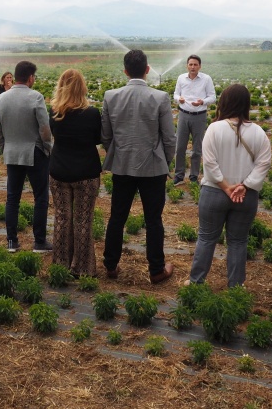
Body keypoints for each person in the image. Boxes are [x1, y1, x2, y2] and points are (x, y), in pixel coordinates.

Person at [101, 49, 176, 284]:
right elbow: (169, 138)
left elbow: (106, 136)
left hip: (122, 166)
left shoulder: (111, 96)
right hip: (153, 168)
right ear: (147, 70)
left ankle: (110, 265)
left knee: (117, 216)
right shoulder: (160, 97)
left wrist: (119, 154)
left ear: (125, 71)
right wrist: (165, 161)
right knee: (153, 220)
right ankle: (156, 270)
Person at [187, 84, 271, 287]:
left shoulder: (214, 128)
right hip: (245, 196)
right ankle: (236, 286)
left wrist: (225, 187)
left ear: (224, 102)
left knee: (206, 238)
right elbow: (264, 163)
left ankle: (196, 282)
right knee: (238, 241)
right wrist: (245, 186)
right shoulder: (258, 132)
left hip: (214, 193)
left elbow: (209, 163)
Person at [0, 61, 53, 253]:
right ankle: (39, 242)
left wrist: (4, 148)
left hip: (12, 153)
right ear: (30, 77)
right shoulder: (36, 97)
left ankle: (12, 241)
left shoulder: (1, 99)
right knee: (40, 196)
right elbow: (44, 128)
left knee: (12, 198)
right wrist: (47, 148)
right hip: (34, 152)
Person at [48, 69, 102, 277]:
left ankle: (60, 265)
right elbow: (98, 139)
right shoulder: (92, 113)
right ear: (82, 87)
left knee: (62, 218)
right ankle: (83, 269)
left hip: (59, 171)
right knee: (83, 220)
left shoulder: (54, 112)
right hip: (86, 173)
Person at [172, 55, 216, 185]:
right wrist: (178, 99)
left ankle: (193, 176)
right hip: (183, 115)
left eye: (195, 64)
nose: (193, 67)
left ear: (199, 66)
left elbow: (212, 97)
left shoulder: (206, 79)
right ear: (187, 66)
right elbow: (175, 94)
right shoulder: (181, 78)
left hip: (199, 116)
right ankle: (179, 175)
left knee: (197, 148)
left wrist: (202, 102)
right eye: (190, 64)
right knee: (180, 147)